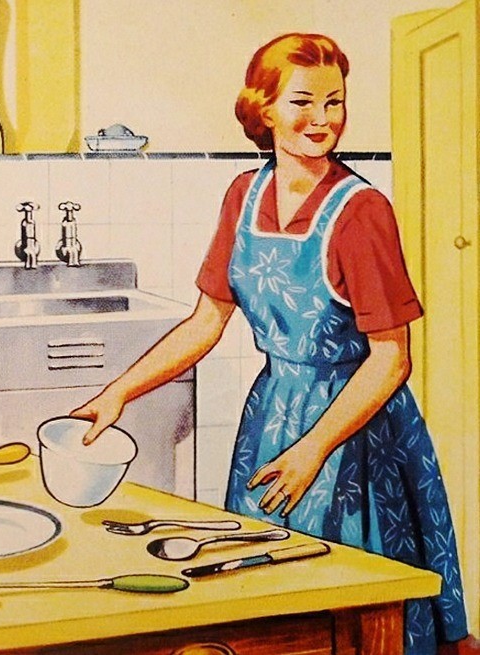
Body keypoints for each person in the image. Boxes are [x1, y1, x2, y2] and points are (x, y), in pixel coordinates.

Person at [71, 33, 469, 655]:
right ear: (263, 108)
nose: (322, 120)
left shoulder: (362, 211)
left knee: (348, 605)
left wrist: (313, 450)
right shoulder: (243, 194)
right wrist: (119, 392)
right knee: (260, 601)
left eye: (334, 103)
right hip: (270, 420)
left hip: (353, 434)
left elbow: (392, 356)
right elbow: (207, 320)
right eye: (303, 102)